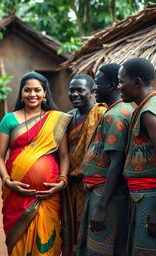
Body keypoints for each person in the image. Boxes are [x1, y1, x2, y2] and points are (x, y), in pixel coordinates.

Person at [0, 71, 71, 256]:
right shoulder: (9, 119)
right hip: (16, 195)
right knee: (18, 243)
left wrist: (61, 182)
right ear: (21, 93)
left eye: (37, 90)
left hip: (48, 196)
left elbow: (64, 156)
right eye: (27, 90)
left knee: (47, 243)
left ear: (45, 93)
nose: (32, 94)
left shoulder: (55, 119)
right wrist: (7, 182)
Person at [77, 64, 133, 256]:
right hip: (109, 193)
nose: (93, 89)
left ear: (110, 86)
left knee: (100, 250)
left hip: (107, 196)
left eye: (97, 83)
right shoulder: (122, 110)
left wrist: (101, 207)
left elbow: (116, 163)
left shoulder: (114, 116)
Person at [118, 58, 156, 255]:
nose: (119, 87)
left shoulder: (149, 112)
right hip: (141, 196)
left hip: (150, 197)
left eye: (122, 81)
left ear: (137, 82)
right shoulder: (144, 107)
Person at [66, 74, 107, 252]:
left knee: (89, 232)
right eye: (72, 90)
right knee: (69, 232)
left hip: (91, 185)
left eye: (80, 90)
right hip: (69, 186)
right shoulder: (67, 117)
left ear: (91, 92)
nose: (75, 94)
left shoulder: (100, 114)